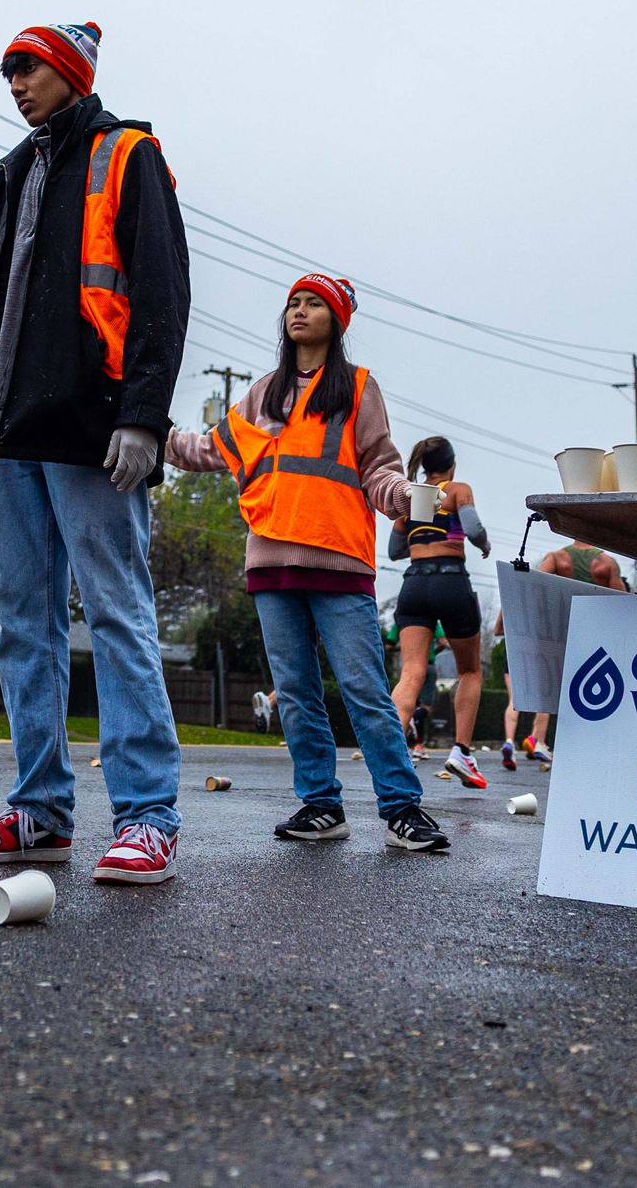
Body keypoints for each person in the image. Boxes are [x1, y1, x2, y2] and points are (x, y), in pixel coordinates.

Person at [0, 21, 191, 885]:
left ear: (71, 71)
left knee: (116, 611)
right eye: (7, 71)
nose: (15, 83)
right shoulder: (11, 175)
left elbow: (161, 292)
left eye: (28, 67)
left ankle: (149, 815)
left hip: (90, 429)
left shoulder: (127, 156)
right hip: (7, 433)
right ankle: (38, 809)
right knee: (22, 626)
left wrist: (143, 417)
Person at [165, 275, 451, 853]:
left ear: (336, 320)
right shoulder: (263, 393)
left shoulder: (359, 389)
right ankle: (321, 805)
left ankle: (402, 808)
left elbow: (378, 468)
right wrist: (150, 427)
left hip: (340, 560)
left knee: (365, 690)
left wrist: (404, 496)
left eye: (313, 303)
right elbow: (209, 450)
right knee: (295, 693)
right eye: (293, 302)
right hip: (271, 561)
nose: (299, 310)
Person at [388, 436, 493, 787]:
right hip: (450, 581)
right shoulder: (458, 489)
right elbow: (474, 529)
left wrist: (424, 540)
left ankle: (390, 752)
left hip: (414, 584)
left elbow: (394, 549)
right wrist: (485, 544)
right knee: (470, 671)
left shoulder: (414, 496)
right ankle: (461, 752)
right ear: (452, 465)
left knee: (411, 673)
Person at [498, 542, 628, 767]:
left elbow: (527, 585)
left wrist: (506, 622)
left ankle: (528, 741)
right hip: (592, 639)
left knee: (549, 696)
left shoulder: (558, 558)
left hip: (558, 637)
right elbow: (625, 605)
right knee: (590, 699)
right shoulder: (607, 563)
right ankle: (571, 749)